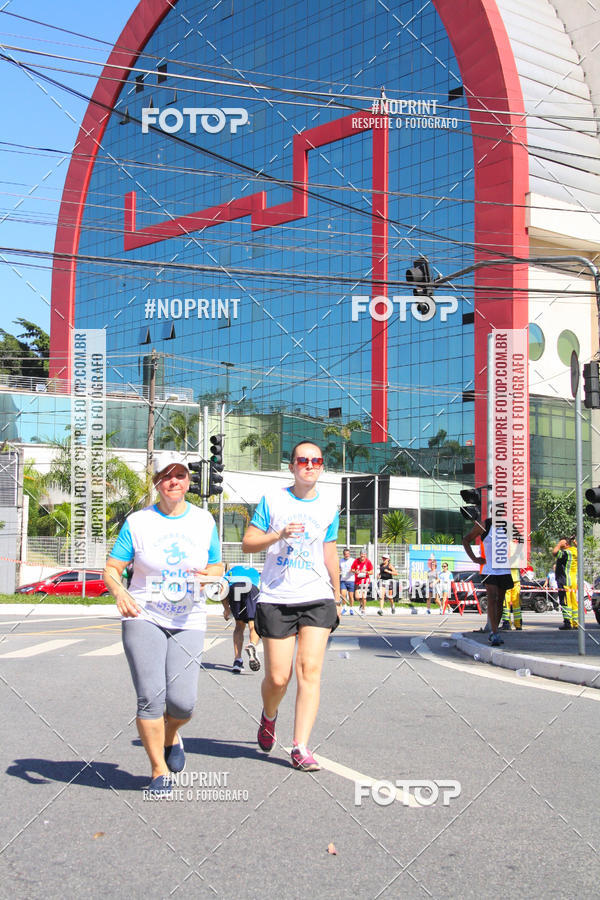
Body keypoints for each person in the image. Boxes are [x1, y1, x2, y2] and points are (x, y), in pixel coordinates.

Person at [103, 451, 225, 797]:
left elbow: (216, 565)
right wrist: (119, 592)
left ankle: (172, 733)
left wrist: (208, 577)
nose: (174, 482)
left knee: (183, 703)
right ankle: (158, 770)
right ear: (157, 483)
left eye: (181, 476)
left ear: (188, 481)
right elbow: (111, 569)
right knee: (150, 698)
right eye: (166, 476)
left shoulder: (203, 521)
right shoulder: (139, 523)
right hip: (144, 615)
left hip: (189, 617)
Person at [241, 440, 340, 771]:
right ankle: (269, 716)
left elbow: (329, 552)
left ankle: (300, 746)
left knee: (309, 671)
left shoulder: (330, 506)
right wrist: (278, 535)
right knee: (279, 679)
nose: (310, 465)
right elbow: (248, 544)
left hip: (317, 596)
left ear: (322, 466)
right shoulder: (273, 500)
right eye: (303, 460)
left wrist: (337, 594)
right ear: (292, 466)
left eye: (316, 461)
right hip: (277, 597)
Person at [462, 517, 513, 646]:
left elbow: (518, 543)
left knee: (500, 600)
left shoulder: (508, 525)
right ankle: (495, 632)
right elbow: (466, 540)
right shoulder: (484, 525)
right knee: (492, 597)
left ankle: (494, 630)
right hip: (489, 568)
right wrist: (474, 558)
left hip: (503, 568)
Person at [224, 564, 261, 673]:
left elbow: (222, 588)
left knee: (239, 626)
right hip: (251, 588)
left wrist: (226, 609)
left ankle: (238, 661)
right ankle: (252, 645)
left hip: (235, 589)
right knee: (252, 624)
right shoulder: (255, 572)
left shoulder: (232, 572)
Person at [553, 536, 578, 629]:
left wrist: (559, 544)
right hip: (573, 580)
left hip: (565, 580)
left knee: (566, 602)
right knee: (574, 602)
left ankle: (568, 623)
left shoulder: (566, 553)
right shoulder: (575, 550)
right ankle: (576, 623)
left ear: (566, 544)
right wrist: (574, 542)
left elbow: (554, 552)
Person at [351, 549, 373, 615]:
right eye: (361, 555)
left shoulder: (368, 562)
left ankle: (363, 609)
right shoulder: (356, 561)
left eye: (364, 555)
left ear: (366, 555)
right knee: (357, 597)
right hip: (358, 581)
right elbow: (352, 569)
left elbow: (371, 572)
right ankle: (361, 604)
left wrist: (366, 572)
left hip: (365, 581)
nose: (362, 556)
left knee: (364, 596)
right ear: (360, 555)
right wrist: (355, 571)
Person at [339, 547, 355, 615]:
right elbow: (339, 569)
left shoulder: (353, 560)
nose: (347, 555)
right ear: (344, 554)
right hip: (343, 580)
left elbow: (355, 569)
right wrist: (339, 572)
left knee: (351, 596)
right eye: (346, 554)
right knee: (343, 595)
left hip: (351, 580)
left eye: (348, 554)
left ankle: (351, 608)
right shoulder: (341, 561)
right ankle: (344, 607)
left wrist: (352, 571)